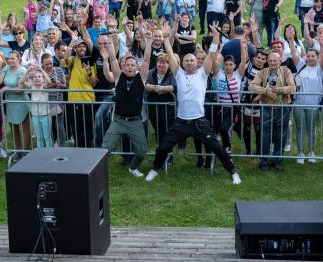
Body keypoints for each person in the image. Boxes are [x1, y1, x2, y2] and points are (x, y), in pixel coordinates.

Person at [145, 23, 242, 184]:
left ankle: (233, 172)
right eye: (187, 61)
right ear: (182, 63)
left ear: (196, 63)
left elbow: (211, 55)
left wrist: (216, 37)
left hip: (199, 121)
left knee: (217, 148)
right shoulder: (178, 74)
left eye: (192, 60)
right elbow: (169, 52)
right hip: (181, 121)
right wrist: (167, 37)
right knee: (163, 147)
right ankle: (154, 169)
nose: (189, 62)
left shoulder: (202, 74)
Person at [100, 32, 152, 177]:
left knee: (142, 152)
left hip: (135, 122)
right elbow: (112, 59)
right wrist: (110, 41)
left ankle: (133, 167)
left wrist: (149, 41)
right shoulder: (118, 76)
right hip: (118, 121)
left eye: (132, 65)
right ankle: (98, 173)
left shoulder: (141, 77)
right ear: (123, 67)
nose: (129, 67)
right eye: (127, 65)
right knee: (105, 149)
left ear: (136, 66)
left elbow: (147, 59)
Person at [249, 51, 296, 170]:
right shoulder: (262, 72)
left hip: (282, 108)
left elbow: (292, 87)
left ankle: (277, 161)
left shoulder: (286, 71)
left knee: (280, 135)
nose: (272, 63)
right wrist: (265, 91)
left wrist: (279, 90)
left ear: (280, 61)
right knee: (265, 135)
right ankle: (264, 161)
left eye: (275, 60)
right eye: (270, 60)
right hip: (266, 108)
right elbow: (252, 86)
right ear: (267, 61)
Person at [0, 50, 31, 156]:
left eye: (12, 58)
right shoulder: (6, 68)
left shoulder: (22, 70)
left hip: (22, 102)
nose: (10, 60)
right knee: (14, 129)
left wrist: (7, 88)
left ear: (19, 59)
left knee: (25, 128)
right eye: (8, 58)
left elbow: (20, 90)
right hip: (10, 103)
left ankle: (25, 151)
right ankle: (18, 151)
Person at [19, 65, 53, 148]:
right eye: (35, 77)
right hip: (35, 115)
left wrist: (41, 69)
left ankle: (49, 154)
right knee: (39, 137)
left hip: (46, 115)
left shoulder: (44, 86)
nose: (37, 78)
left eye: (39, 77)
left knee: (47, 137)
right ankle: (40, 155)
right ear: (32, 79)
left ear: (43, 79)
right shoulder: (32, 86)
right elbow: (22, 81)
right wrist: (27, 71)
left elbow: (49, 81)